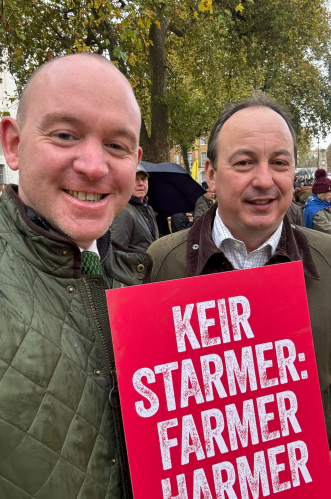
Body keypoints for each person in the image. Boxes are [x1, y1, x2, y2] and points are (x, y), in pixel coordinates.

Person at [147, 94, 331, 499]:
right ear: (212, 177)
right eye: (245, 162)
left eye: (280, 163)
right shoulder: (158, 265)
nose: (265, 179)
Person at [0, 53, 152, 498]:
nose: (93, 166)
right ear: (13, 143)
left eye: (117, 145)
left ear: (135, 160)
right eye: (65, 135)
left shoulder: (144, 276)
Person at [111, 163, 159, 251]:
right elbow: (117, 253)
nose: (141, 183)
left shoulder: (148, 209)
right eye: (134, 179)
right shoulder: (124, 211)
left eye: (144, 179)